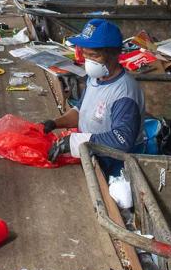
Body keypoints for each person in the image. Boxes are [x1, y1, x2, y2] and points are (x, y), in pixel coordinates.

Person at [44, 19, 145, 172]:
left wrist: (76, 141)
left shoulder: (124, 93)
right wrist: (54, 123)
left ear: (114, 54)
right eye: (86, 55)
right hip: (94, 155)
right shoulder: (95, 77)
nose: (89, 62)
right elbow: (81, 110)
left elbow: (122, 140)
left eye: (94, 56)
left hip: (117, 166)